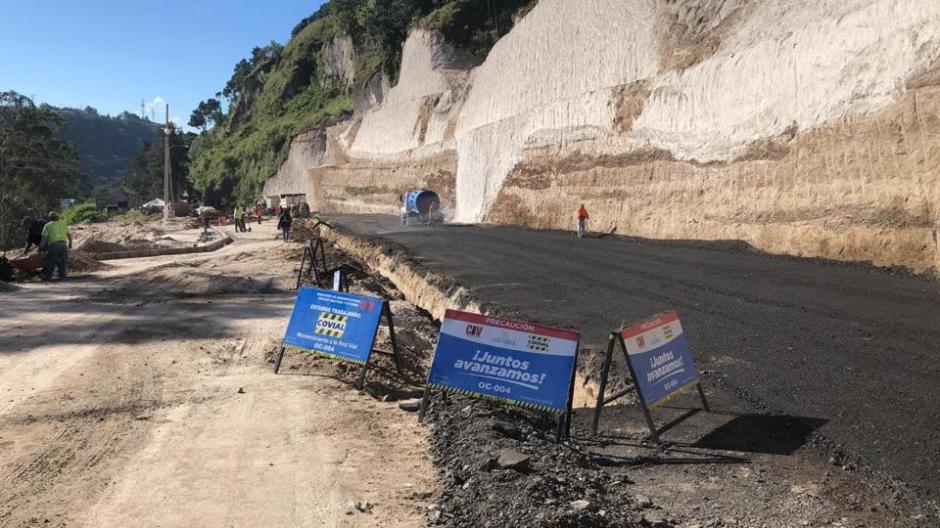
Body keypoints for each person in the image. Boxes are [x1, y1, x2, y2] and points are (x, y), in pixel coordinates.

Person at [40, 211, 72, 281]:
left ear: (50, 218)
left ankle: (48, 277)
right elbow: (69, 234)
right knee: (63, 261)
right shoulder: (63, 223)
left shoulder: (47, 226)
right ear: (58, 217)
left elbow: (44, 239)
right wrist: (70, 243)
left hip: (53, 245)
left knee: (51, 261)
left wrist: (41, 248)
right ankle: (62, 277)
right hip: (63, 244)